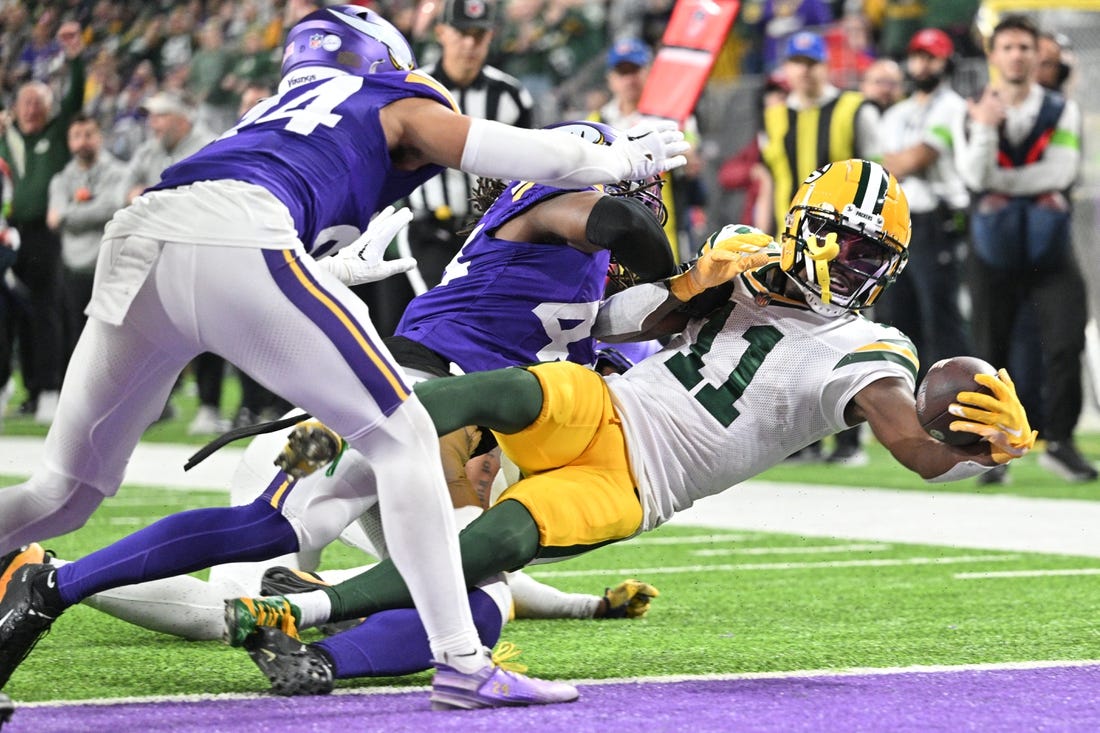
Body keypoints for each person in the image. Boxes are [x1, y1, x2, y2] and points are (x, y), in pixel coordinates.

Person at [0, 5, 687, 710]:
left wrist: (316, 268)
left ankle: (46, 574)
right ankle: (459, 665)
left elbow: (228, 212)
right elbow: (553, 172)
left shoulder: (282, 108)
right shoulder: (403, 102)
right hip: (299, 293)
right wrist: (623, 163)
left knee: (62, 491)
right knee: (392, 454)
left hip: (150, 236)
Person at [223, 160, 1037, 675]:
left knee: (496, 543)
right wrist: (697, 281)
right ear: (801, 228)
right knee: (508, 390)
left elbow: (917, 450)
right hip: (613, 401)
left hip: (643, 481)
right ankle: (344, 422)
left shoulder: (870, 345)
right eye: (836, 243)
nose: (843, 267)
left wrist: (989, 450)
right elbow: (622, 320)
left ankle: (299, 616)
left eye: (864, 258)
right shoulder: (746, 261)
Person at [953, 15, 1096, 484]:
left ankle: (1061, 441)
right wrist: (989, 130)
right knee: (989, 353)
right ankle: (994, 450)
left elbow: (1060, 172)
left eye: (1024, 47)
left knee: (1065, 339)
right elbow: (973, 177)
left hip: (1049, 246)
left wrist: (1003, 184)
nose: (1016, 55)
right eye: (1008, 47)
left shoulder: (1061, 109)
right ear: (993, 56)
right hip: (992, 248)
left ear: (1038, 56)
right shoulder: (971, 109)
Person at [362, 0, 535, 337]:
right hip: (429, 230)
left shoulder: (511, 95)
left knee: (491, 321)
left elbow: (530, 168)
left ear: (490, 37)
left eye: (478, 35)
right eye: (462, 33)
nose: (469, 44)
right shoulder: (412, 88)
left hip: (492, 231)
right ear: (441, 32)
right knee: (449, 317)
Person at [758, 30, 881, 465]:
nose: (804, 70)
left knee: (845, 339)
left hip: (844, 251)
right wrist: (761, 237)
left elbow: (878, 179)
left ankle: (849, 442)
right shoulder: (773, 116)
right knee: (790, 339)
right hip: (790, 246)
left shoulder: (853, 109)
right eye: (797, 62)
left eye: (811, 62)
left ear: (825, 65)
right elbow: (769, 179)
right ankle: (802, 441)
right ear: (787, 67)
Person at [0, 20, 85, 425]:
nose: (31, 109)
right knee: (8, 314)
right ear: (15, 108)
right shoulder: (6, 138)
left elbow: (75, 100)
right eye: (25, 103)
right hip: (7, 234)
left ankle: (50, 388)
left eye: (38, 103)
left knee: (47, 310)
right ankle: (20, 386)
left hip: (44, 235)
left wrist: (74, 58)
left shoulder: (56, 133)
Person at [876, 28, 971, 381]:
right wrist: (896, 161)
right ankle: (909, 404)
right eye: (917, 55)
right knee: (900, 316)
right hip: (898, 223)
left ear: (947, 61)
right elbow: (882, 166)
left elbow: (913, 159)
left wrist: (895, 160)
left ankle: (954, 401)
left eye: (931, 56)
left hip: (937, 220)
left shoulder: (954, 107)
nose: (922, 63)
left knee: (941, 316)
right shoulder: (896, 113)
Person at [590, 37, 703, 261]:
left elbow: (692, 157)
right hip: (615, 223)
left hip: (668, 220)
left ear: (649, 72)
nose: (629, 79)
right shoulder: (596, 121)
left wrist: (687, 155)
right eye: (622, 72)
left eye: (635, 70)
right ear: (610, 79)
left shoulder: (674, 114)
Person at [46, 115, 127, 364]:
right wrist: (87, 209)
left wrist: (69, 212)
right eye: (77, 136)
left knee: (112, 343)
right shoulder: (61, 178)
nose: (83, 142)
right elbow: (52, 221)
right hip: (72, 270)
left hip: (108, 270)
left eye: (89, 134)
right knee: (73, 339)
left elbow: (112, 208)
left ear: (100, 137)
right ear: (69, 142)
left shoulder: (119, 173)